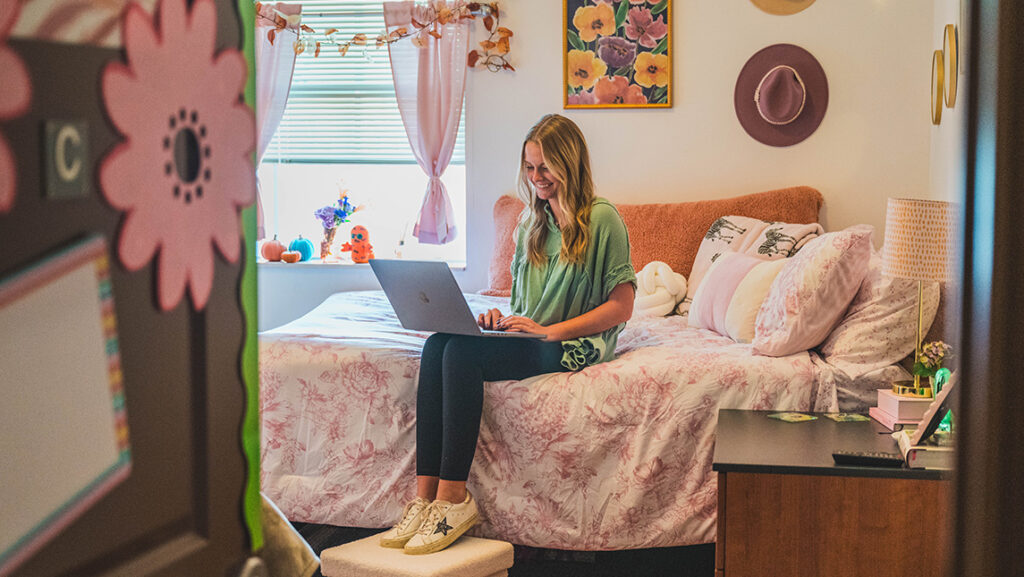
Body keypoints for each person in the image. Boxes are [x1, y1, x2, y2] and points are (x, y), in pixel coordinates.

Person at [379, 114, 636, 555]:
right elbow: (524, 307)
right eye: (530, 168)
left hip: (573, 345)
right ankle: (424, 500)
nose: (536, 178)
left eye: (545, 168)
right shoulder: (531, 223)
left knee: (460, 355)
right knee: (438, 344)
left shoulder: (603, 218)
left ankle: (453, 501)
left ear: (570, 165)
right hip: (528, 335)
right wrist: (502, 319)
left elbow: (621, 305)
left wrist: (551, 332)